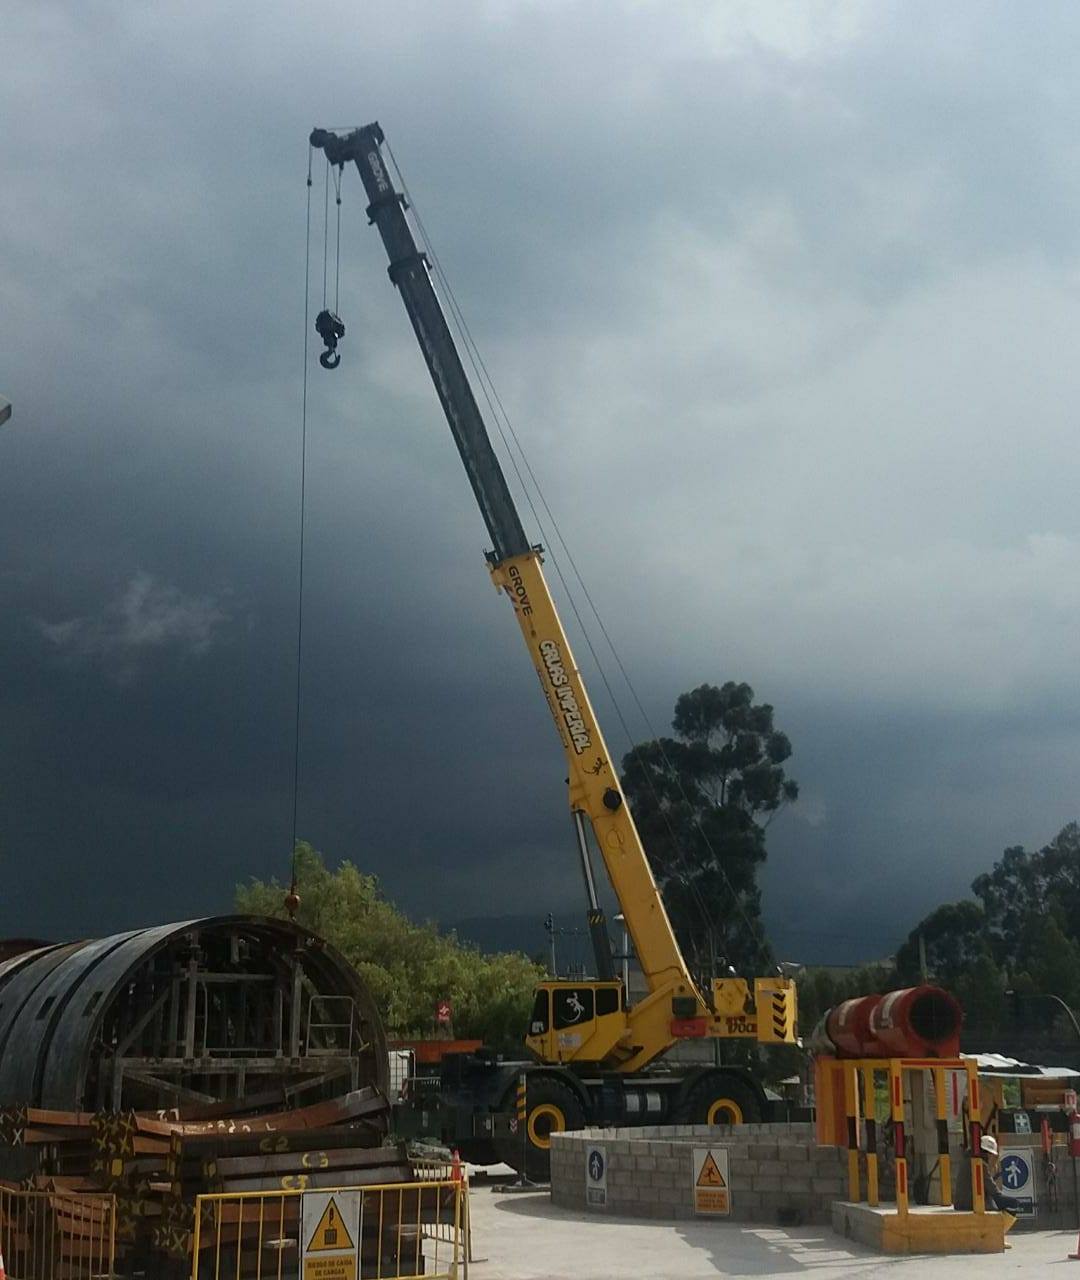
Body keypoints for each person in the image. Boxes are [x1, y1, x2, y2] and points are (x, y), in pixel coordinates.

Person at [953, 1134, 1021, 1213]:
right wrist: (1005, 1200)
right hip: (969, 1205)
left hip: (962, 1204)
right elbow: (992, 1189)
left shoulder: (967, 1161)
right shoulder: (978, 1164)